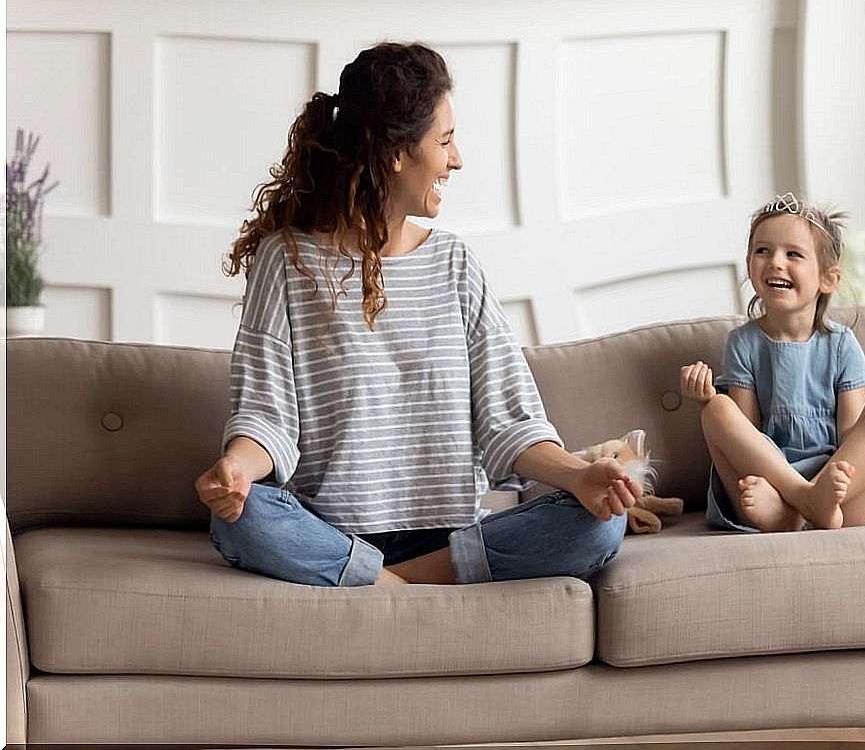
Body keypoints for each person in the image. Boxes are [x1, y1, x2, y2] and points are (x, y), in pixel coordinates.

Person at [195, 42, 640, 587]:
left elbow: (510, 425)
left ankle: (381, 583)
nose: (457, 160)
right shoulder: (286, 260)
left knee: (599, 527)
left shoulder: (454, 263)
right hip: (330, 530)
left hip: (449, 533)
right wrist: (237, 469)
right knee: (239, 522)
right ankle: (406, 580)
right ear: (395, 153)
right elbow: (267, 419)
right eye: (445, 141)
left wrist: (580, 475)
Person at [679, 192, 865, 533]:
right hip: (769, 482)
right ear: (749, 265)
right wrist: (704, 396)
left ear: (828, 279)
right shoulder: (744, 343)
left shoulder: (841, 345)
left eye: (793, 254)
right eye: (763, 251)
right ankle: (801, 502)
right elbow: (747, 434)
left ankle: (800, 512)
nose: (775, 262)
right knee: (716, 409)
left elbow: (851, 436)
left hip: (838, 491)